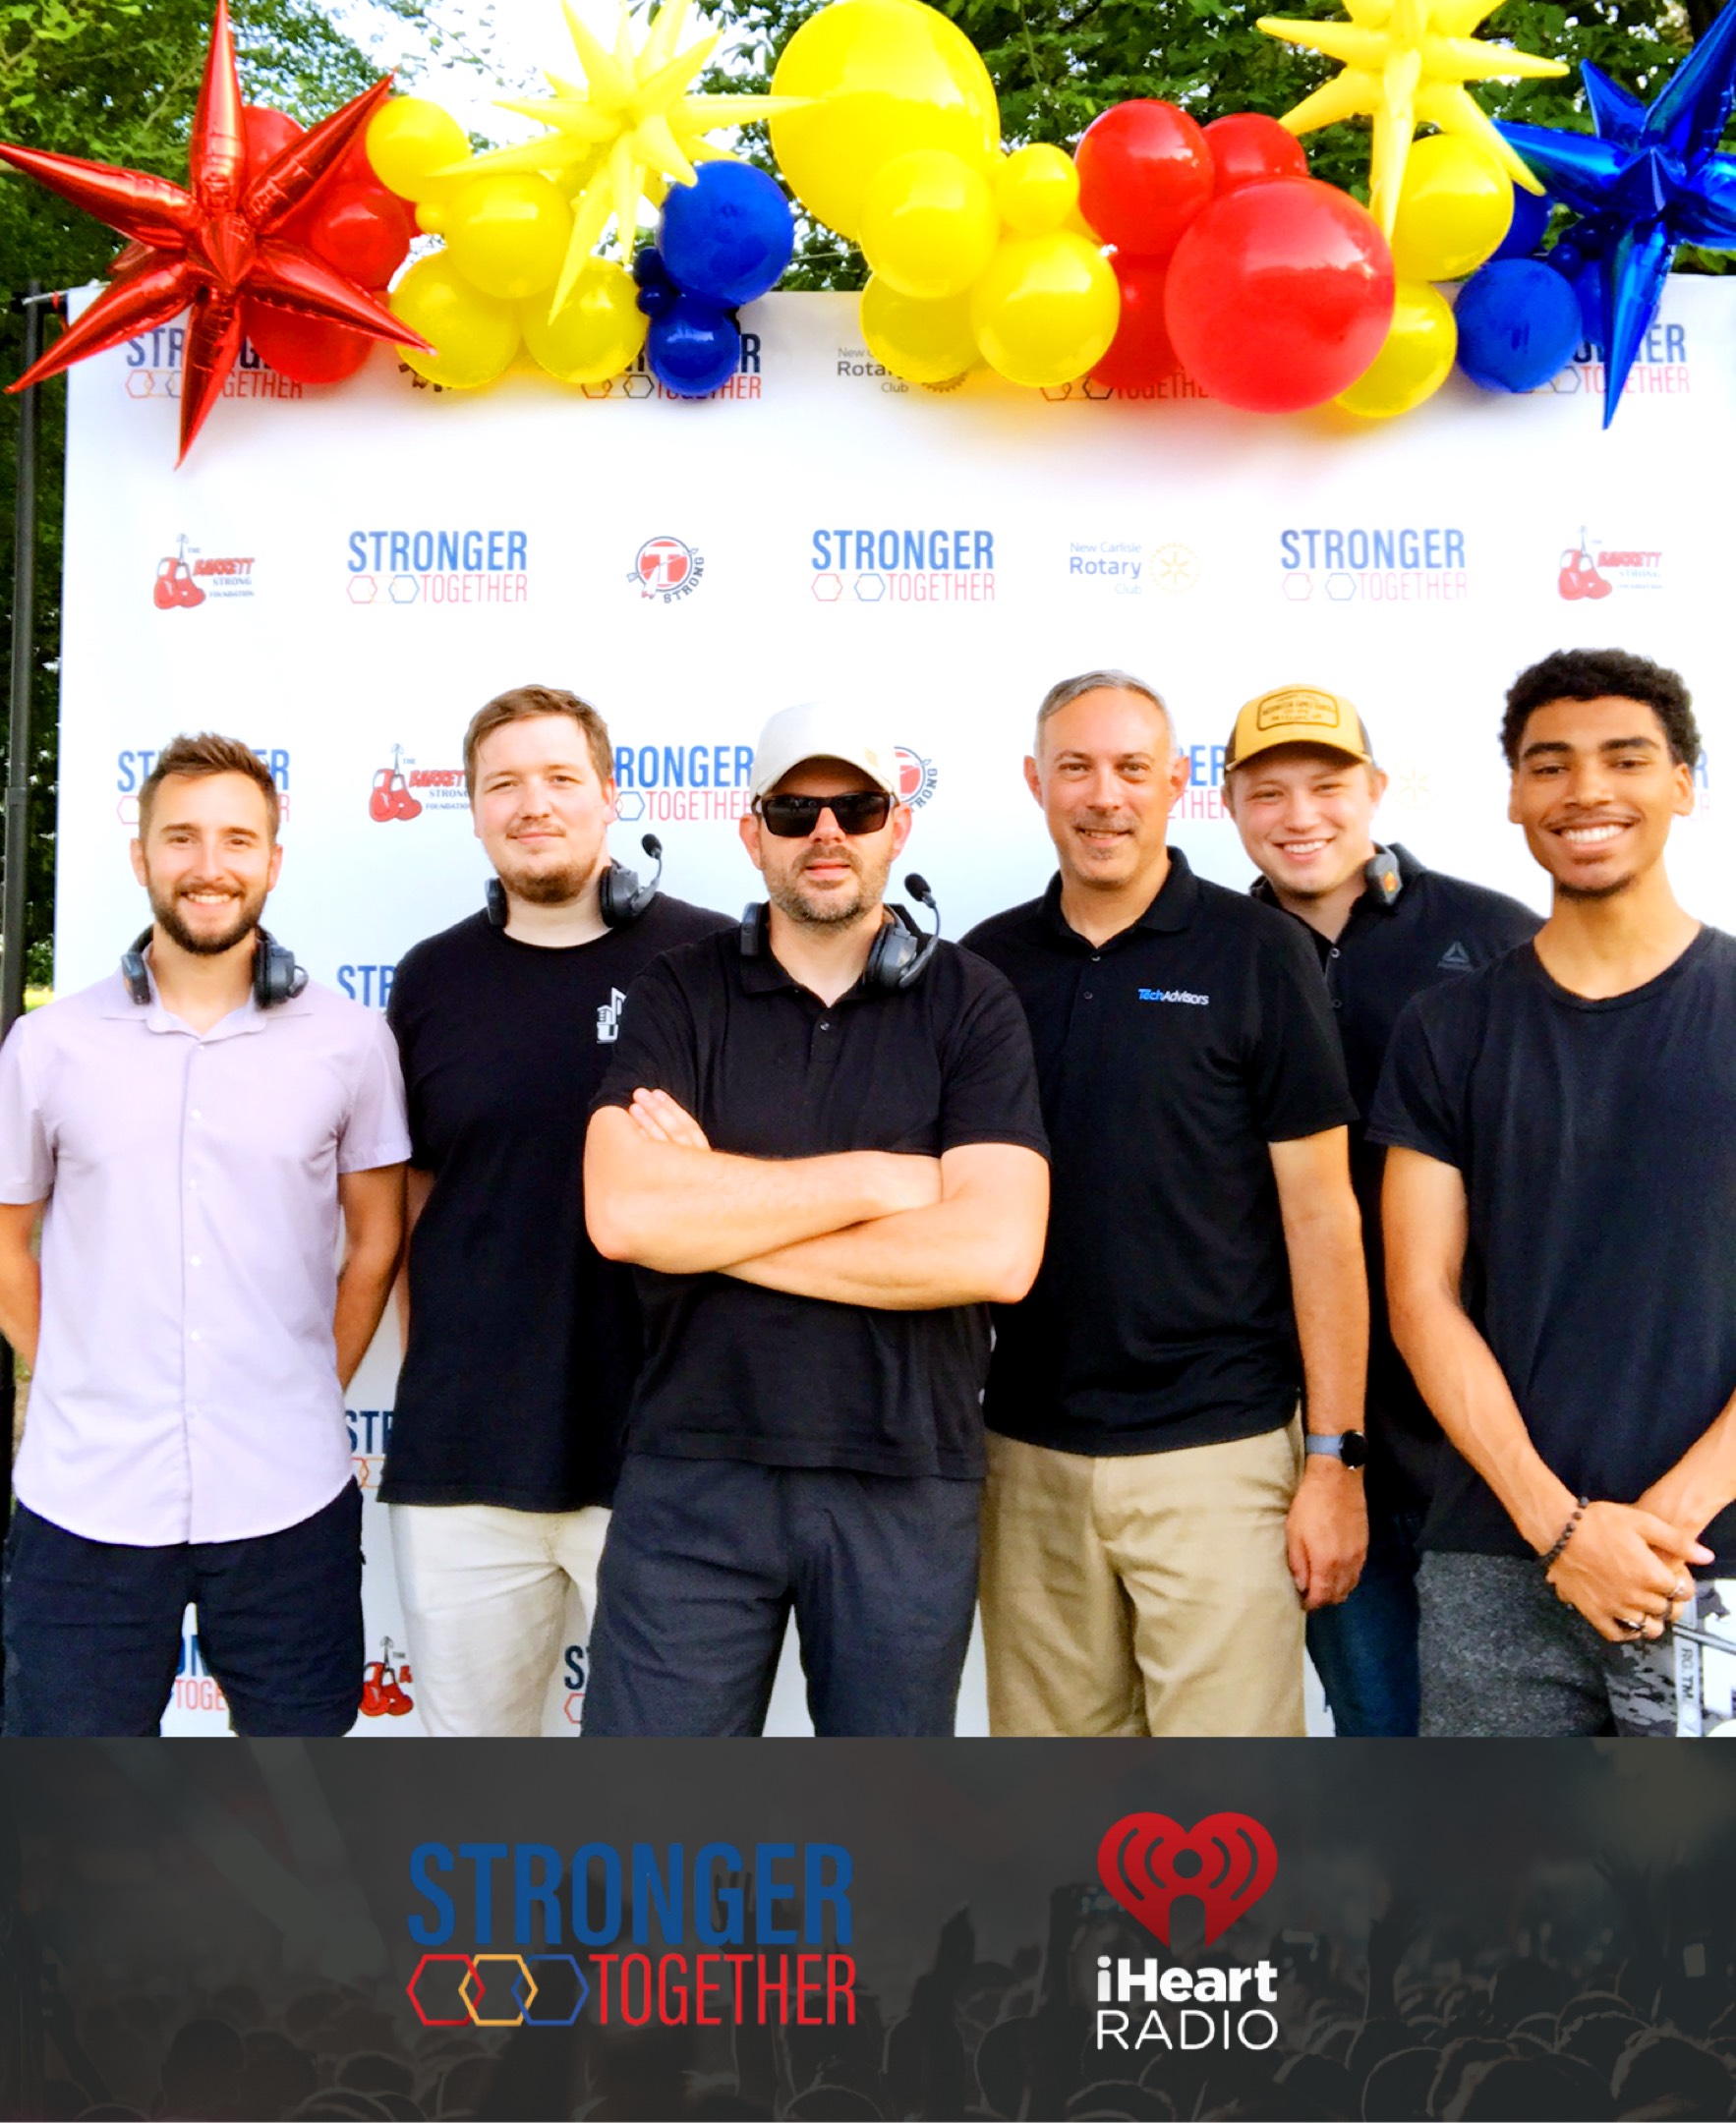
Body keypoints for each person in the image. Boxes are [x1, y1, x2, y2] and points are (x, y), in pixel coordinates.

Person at [580, 700, 1050, 1736]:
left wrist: (715, 1225)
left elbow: (996, 1251)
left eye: (857, 808)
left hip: (905, 1479)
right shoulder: (678, 991)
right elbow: (623, 1214)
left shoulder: (972, 1002)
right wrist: (882, 1181)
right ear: (752, 834)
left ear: (897, 826)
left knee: (879, 1821)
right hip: (693, 1474)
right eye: (794, 811)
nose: (826, 832)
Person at [963, 669, 1367, 1738]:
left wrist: (1334, 1459)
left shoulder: (1259, 953)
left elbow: (1322, 1216)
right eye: (1076, 768)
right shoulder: (985, 967)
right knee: (1054, 1812)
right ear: (1035, 782)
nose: (1105, 796)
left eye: (1131, 769)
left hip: (1218, 1453)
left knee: (1224, 1811)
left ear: (1175, 783)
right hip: (1026, 1456)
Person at [0, 732, 407, 1737]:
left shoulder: (351, 1041)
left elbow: (375, 1243)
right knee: (77, 1806)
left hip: (288, 1497)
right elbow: (6, 1241)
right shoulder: (48, 1046)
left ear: (273, 860)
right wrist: (77, 1375)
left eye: (237, 839)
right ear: (140, 856)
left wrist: (307, 1384)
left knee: (302, 1795)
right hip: (86, 1502)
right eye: (181, 837)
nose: (208, 865)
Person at [1374, 648, 1736, 1736]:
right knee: (1499, 1857)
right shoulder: (1447, 1029)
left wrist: (1663, 1524)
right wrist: (1562, 1529)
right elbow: (1420, 1296)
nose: (1585, 790)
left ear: (1683, 783)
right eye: (1550, 765)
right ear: (1513, 796)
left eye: (1625, 758)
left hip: (1709, 1561)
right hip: (1498, 1561)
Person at [380, 684, 730, 1736]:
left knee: (664, 1791)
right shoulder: (431, 979)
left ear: (610, 795)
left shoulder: (711, 965)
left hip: (668, 1455)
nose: (532, 804)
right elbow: (417, 1197)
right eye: (503, 784)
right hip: (467, 1462)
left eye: (560, 778)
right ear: (474, 809)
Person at [1222, 684, 1539, 1735]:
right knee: (1381, 1735)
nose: (1299, 816)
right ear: (1229, 805)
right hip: (1306, 1431)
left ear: (1376, 789)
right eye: (1268, 792)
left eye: (1326, 786)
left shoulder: (1494, 938)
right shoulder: (1212, 952)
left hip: (1485, 1430)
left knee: (1512, 1746)